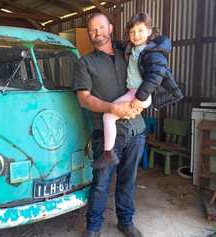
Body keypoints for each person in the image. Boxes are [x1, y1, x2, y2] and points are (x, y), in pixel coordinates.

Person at [73, 13, 146, 237]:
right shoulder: (84, 63)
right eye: (93, 30)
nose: (98, 33)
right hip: (106, 135)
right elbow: (84, 98)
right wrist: (111, 109)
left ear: (111, 28)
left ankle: (126, 221)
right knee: (101, 183)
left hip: (136, 130)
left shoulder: (129, 53)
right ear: (89, 34)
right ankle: (93, 228)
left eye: (102, 28)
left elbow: (149, 72)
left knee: (128, 181)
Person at [93, 12, 183, 169]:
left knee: (108, 116)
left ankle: (108, 153)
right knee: (111, 117)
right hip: (134, 93)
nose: (136, 35)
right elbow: (120, 45)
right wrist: (104, 37)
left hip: (140, 93)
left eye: (141, 31)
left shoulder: (153, 52)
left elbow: (155, 75)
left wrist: (140, 97)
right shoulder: (133, 48)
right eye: (132, 32)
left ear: (149, 31)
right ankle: (110, 152)